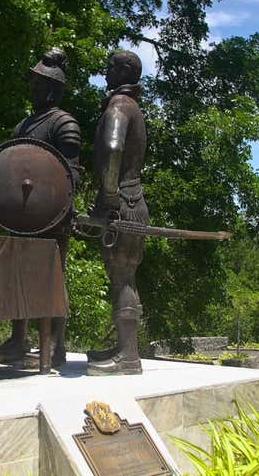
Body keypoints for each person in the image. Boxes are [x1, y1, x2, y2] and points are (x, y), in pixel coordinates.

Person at [0, 47, 81, 367]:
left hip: (51, 216)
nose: (33, 87)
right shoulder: (23, 126)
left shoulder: (63, 124)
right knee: (18, 276)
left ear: (52, 88)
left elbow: (71, 173)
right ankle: (19, 337)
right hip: (22, 216)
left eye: (39, 83)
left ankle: (55, 344)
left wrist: (53, 205)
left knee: (51, 277)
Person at [86, 50, 148, 375]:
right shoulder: (130, 105)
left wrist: (109, 195)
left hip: (123, 202)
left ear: (124, 71)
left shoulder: (120, 105)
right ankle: (125, 347)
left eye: (110, 66)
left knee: (123, 276)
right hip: (129, 201)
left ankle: (128, 356)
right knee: (121, 277)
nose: (105, 70)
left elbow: (113, 148)